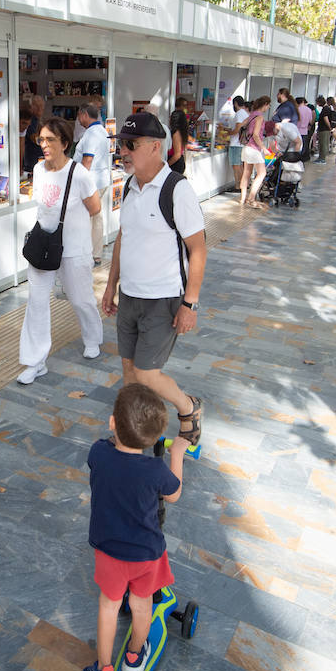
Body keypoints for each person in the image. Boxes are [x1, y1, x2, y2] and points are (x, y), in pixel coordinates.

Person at [101, 112, 206, 444]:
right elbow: (124, 237)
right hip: (130, 297)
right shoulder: (129, 187)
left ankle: (188, 407)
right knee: (129, 371)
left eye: (130, 145)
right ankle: (133, 434)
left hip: (163, 300)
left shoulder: (177, 190)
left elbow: (198, 250)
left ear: (154, 146)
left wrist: (190, 304)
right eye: (121, 145)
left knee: (146, 373)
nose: (123, 152)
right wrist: (111, 285)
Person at [80, 384, 190, 671]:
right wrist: (177, 453)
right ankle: (133, 656)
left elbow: (109, 453)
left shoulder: (98, 453)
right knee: (142, 605)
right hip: (146, 555)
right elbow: (174, 493)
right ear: (155, 438)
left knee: (108, 606)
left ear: (112, 422)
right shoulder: (155, 470)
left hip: (109, 552)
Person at [18, 116, 104, 384]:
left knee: (80, 299)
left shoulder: (79, 174)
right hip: (43, 247)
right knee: (36, 303)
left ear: (65, 143)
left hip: (74, 248)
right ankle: (35, 361)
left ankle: (93, 338)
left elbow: (95, 208)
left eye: (50, 140)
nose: (44, 145)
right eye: (41, 139)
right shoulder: (38, 169)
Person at [76, 102, 113, 263]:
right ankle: (96, 254)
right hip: (101, 180)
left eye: (79, 116)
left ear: (84, 115)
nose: (78, 119)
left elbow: (87, 160)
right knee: (97, 217)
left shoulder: (91, 134)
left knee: (86, 218)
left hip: (91, 182)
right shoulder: (102, 131)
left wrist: (78, 182)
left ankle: (86, 253)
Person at [238, 97, 271, 209]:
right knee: (262, 173)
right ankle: (251, 198)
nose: (268, 107)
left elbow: (241, 126)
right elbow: (256, 135)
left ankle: (242, 198)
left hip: (246, 148)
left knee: (246, 172)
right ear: (265, 104)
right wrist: (264, 148)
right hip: (254, 149)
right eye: (268, 105)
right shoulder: (259, 117)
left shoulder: (251, 115)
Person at [225, 95, 248, 191]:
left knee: (236, 166)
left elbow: (237, 129)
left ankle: (238, 186)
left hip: (236, 143)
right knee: (240, 165)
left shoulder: (239, 114)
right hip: (241, 144)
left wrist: (228, 133)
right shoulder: (245, 113)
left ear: (235, 103)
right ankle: (243, 185)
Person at [20, 94, 46, 177]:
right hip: (31, 161)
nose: (40, 109)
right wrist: (48, 140)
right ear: (32, 107)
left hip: (36, 160)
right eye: (37, 106)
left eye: (42, 106)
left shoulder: (37, 120)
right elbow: (34, 139)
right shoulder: (31, 120)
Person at [166, 109, 191, 175]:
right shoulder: (181, 132)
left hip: (175, 163)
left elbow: (177, 155)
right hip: (176, 162)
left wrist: (167, 165)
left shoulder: (176, 133)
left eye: (170, 117)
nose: (169, 119)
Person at [314, 96, 336, 163]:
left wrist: (329, 127)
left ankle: (322, 158)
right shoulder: (327, 108)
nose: (317, 104)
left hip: (324, 129)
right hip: (324, 129)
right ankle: (321, 157)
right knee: (323, 143)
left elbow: (326, 119)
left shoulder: (325, 109)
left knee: (323, 143)